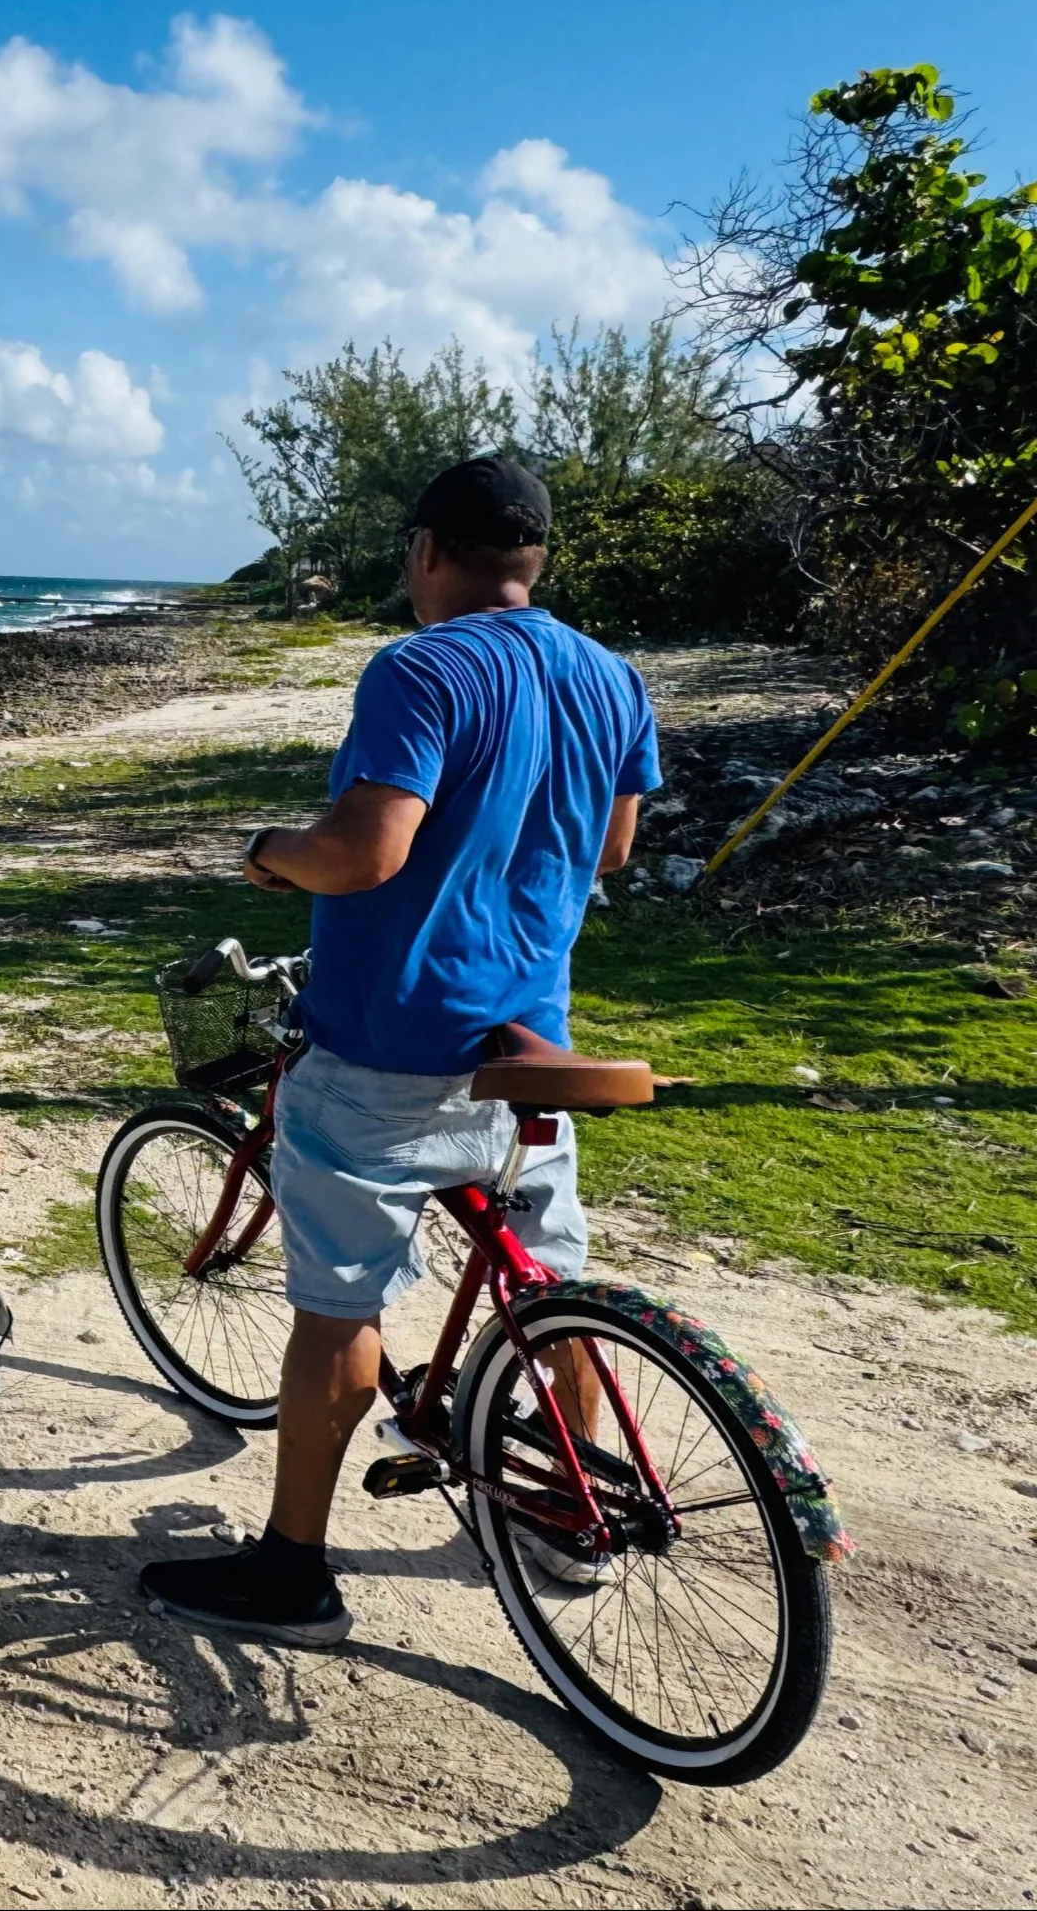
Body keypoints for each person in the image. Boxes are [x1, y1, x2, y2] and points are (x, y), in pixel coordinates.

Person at [139, 455, 661, 1647]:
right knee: (550, 1287)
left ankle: (291, 1569)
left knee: (338, 1307)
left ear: (429, 550)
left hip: (391, 1044)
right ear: (537, 554)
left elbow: (366, 852)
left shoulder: (422, 666)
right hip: (528, 1041)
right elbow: (615, 847)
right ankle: (574, 1505)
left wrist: (271, 851)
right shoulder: (610, 675)